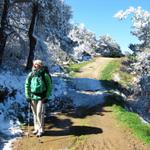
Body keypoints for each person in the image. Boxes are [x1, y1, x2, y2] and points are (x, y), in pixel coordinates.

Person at [25, 60, 52, 137]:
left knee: (39, 113)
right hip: (33, 96)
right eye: (35, 64)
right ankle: (36, 128)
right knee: (34, 113)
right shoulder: (31, 74)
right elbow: (27, 84)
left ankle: (41, 130)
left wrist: (47, 96)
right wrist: (27, 96)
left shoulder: (45, 75)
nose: (36, 66)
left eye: (38, 64)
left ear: (40, 65)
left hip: (42, 97)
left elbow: (49, 86)